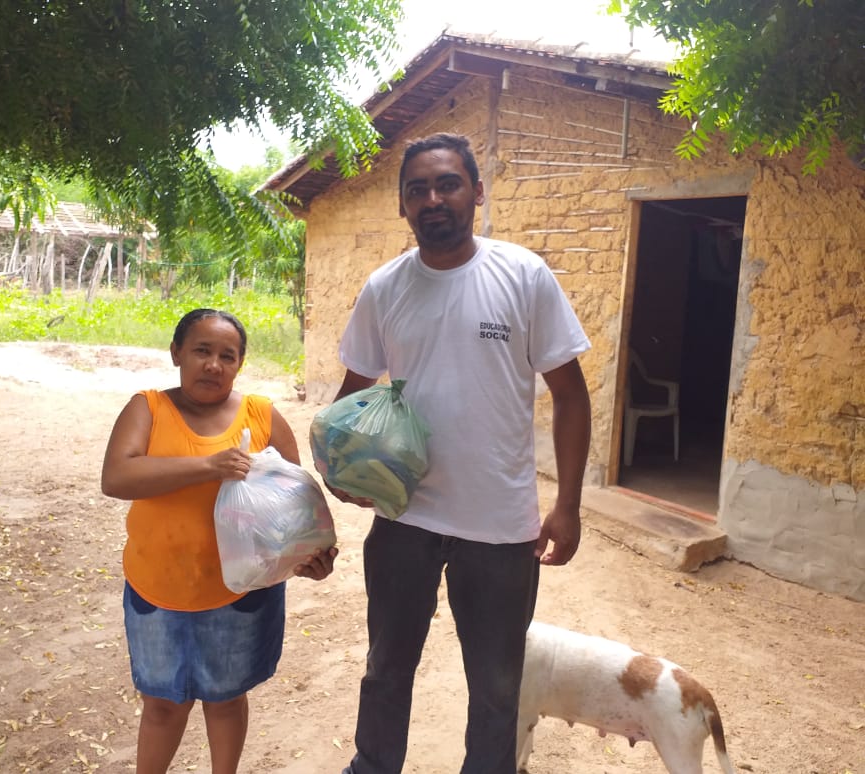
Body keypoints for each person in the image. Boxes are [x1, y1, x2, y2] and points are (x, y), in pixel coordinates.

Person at [330, 133, 592, 774]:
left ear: (476, 191)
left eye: (447, 184)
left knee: (497, 687)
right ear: (402, 205)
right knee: (386, 670)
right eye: (416, 190)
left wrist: (568, 505)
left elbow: (570, 396)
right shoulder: (385, 287)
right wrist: (338, 468)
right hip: (403, 517)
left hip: (499, 527)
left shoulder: (523, 276)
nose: (432, 199)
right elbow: (351, 394)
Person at [101, 308, 338, 774]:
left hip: (241, 593)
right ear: (176, 353)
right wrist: (209, 466)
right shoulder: (148, 409)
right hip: (159, 589)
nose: (213, 364)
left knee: (226, 701)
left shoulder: (261, 416)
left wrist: (312, 559)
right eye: (201, 351)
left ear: (240, 364)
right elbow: (117, 476)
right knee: (163, 706)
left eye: (227, 356)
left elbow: (297, 509)